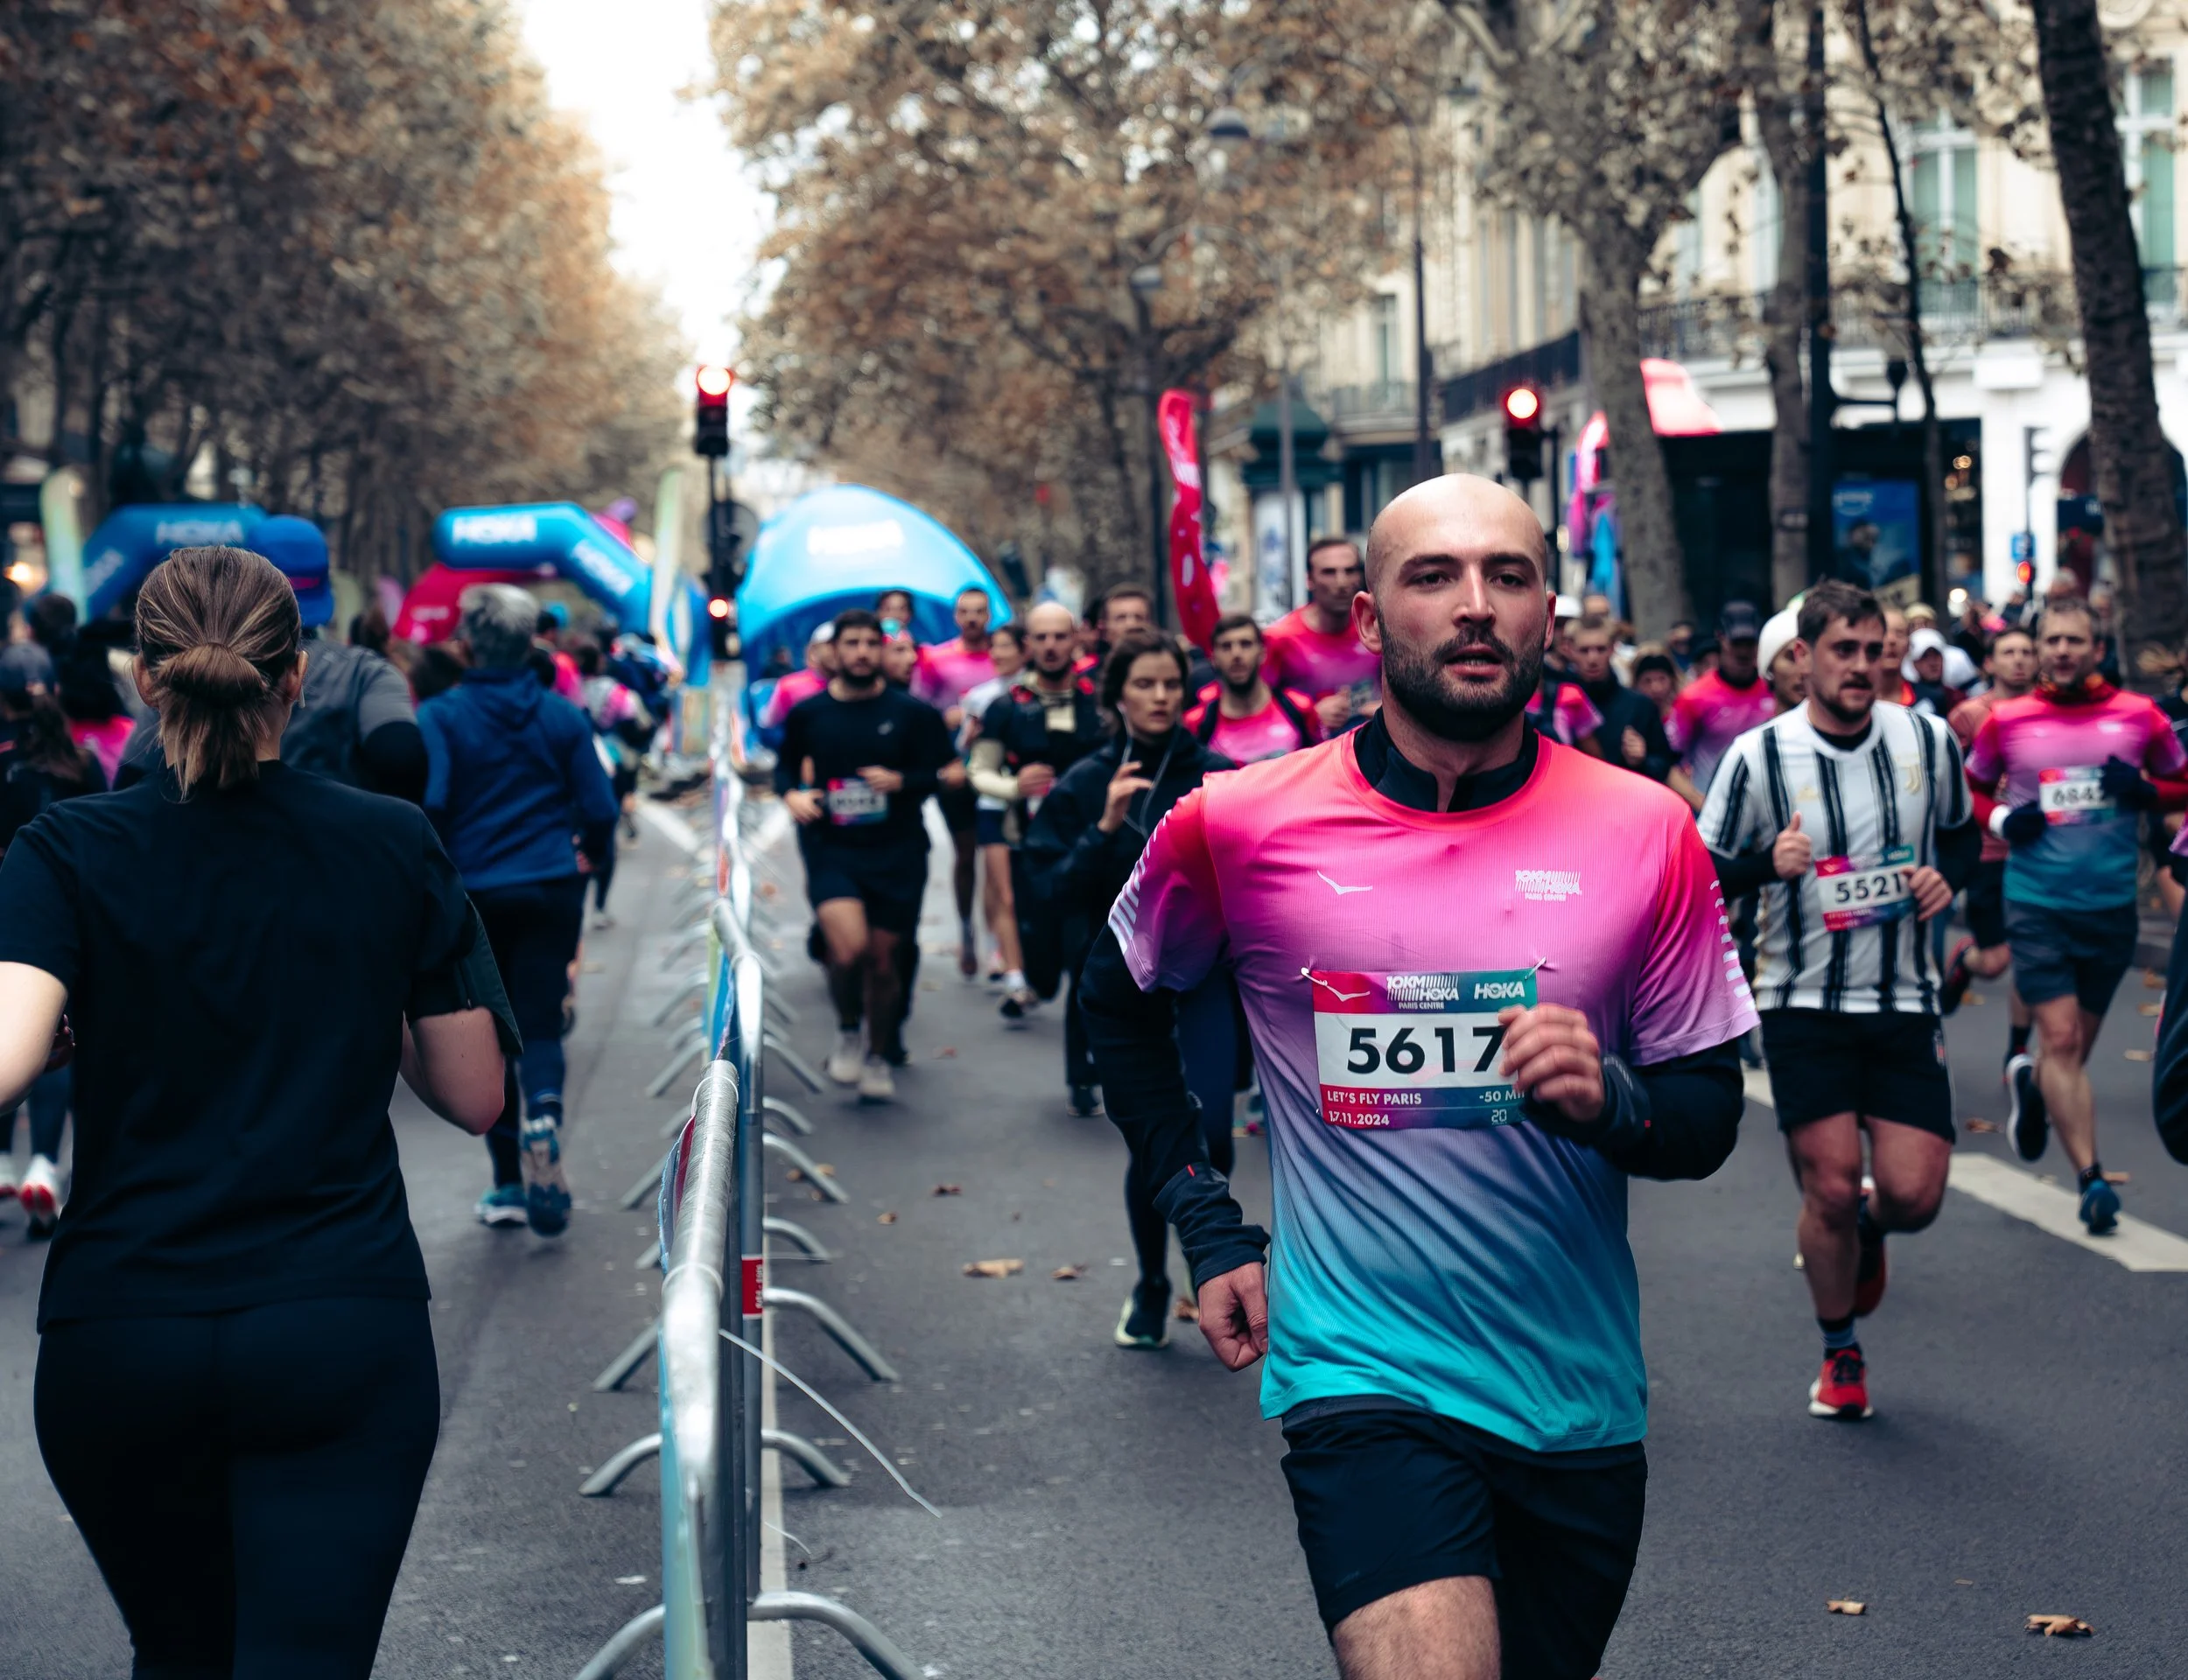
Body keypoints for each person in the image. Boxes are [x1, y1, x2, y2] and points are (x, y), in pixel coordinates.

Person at [1082, 475, 1757, 1680]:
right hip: (1361, 1373)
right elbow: (1117, 1007)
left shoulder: (1647, 830)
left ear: (1550, 609)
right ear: (1366, 616)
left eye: (1508, 575)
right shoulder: (1236, 824)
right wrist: (1206, 1222)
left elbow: (1706, 1115)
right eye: (1432, 577)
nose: (1476, 606)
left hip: (1576, 1397)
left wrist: (1614, 1101)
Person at [0, 543, 511, 1678]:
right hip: (339, 1328)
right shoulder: (392, 845)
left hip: (120, 1332)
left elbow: (6, 1053)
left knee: (178, 1655)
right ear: (296, 679)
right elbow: (477, 1098)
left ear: (147, 679)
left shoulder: (62, 851)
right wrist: (354, 977)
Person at [1700, 580, 1980, 1422]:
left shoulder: (1928, 742)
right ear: (1803, 657)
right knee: (1825, 1188)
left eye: (1873, 650)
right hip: (1801, 1001)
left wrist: (1946, 877)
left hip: (1902, 998)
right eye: (1844, 651)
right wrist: (1765, 867)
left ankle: (1872, 1224)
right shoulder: (1761, 756)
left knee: (1915, 1197)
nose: (1863, 667)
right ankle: (1840, 1353)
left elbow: (1965, 833)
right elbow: (1702, 868)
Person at [1025, 632, 1236, 1344]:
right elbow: (1048, 890)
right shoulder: (1085, 782)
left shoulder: (1218, 776)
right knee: (1157, 1139)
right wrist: (1106, 826)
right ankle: (1151, 1282)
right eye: (1144, 684)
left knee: (1208, 1132)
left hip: (1205, 984)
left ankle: (1210, 1268)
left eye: (1171, 684)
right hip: (1118, 993)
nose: (1160, 697)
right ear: (1117, 695)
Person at [1965, 596, 2188, 1233]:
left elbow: (2183, 782)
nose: (2062, 651)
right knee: (2059, 1037)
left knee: (2073, 1051)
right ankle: (2092, 1182)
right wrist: (2007, 819)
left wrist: (2145, 793)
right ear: (2039, 649)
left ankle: (2033, 1084)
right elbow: (1972, 787)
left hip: (2111, 907)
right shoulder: (2006, 721)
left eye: (2074, 641)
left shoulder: (2140, 717)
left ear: (2096, 648)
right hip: (2036, 904)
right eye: (2052, 640)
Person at [419, 584, 619, 1233]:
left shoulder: (441, 717)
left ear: (468, 643)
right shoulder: (562, 717)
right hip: (551, 884)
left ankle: (507, 1183)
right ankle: (546, 1117)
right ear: (533, 639)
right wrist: (589, 852)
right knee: (539, 1020)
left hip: (474, 894)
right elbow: (600, 807)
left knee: (491, 1034)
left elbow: (435, 802)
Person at [116, 515, 427, 802]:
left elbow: (130, 777)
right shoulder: (365, 674)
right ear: (296, 676)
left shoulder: (181, 668)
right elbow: (402, 758)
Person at [776, 609, 956, 1100]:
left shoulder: (913, 714)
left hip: (898, 851)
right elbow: (784, 769)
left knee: (883, 962)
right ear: (834, 652)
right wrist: (792, 794)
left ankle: (877, 1054)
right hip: (832, 848)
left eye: (869, 644)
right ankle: (848, 1029)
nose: (860, 653)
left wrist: (903, 781)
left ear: (883, 651)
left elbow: (947, 772)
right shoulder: (809, 713)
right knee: (848, 949)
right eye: (850, 643)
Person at [971, 601, 1110, 1046]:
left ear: (1076, 640)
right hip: (1026, 841)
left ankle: (1084, 1061)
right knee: (1037, 935)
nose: (1051, 647)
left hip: (1092, 841)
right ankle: (1034, 981)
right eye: (1042, 637)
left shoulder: (1100, 701)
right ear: (1028, 643)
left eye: (1060, 636)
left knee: (1086, 941)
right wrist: (1014, 786)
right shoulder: (1005, 707)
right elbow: (979, 769)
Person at [0, 669, 107, 1228]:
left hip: (9, 904)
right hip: (75, 910)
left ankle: (1, 1162)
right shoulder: (80, 761)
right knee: (55, 1031)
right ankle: (43, 1162)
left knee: (8, 1028)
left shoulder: (4, 761)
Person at [1940, 626, 2037, 1026]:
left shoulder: (2051, 712)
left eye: (2026, 652)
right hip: (1988, 852)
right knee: (1997, 961)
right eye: (2008, 652)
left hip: (2039, 851)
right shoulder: (1967, 716)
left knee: (2033, 957)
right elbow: (1952, 783)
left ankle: (2018, 1054)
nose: (2018, 660)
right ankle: (1966, 959)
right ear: (1989, 662)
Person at [915, 585, 1000, 976]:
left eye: (979, 612)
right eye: (965, 612)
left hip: (1001, 769)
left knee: (1001, 856)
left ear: (989, 615)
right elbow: (918, 710)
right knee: (967, 854)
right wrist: (944, 718)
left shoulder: (1006, 656)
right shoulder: (936, 659)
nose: (972, 619)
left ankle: (1000, 941)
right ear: (955, 617)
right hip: (957, 772)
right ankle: (967, 930)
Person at [958, 623, 1028, 989]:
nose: (999, 655)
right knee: (1002, 886)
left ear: (1024, 650)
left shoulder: (1038, 692)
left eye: (1007, 647)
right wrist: (968, 739)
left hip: (1032, 801)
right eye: (995, 648)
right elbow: (964, 753)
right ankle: (1003, 956)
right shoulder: (978, 697)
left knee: (1023, 883)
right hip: (992, 799)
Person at [1263, 536, 1381, 734]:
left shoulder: (1378, 627)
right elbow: (1252, 711)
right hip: (1310, 757)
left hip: (1373, 752)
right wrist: (1309, 714)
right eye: (1329, 572)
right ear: (1309, 580)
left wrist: (1388, 711)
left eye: (1350, 571)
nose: (1342, 582)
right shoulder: (1279, 638)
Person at [575, 638, 655, 925]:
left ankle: (582, 898)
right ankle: (599, 904)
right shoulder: (616, 692)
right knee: (605, 826)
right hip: (615, 759)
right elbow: (639, 719)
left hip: (578, 764)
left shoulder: (568, 691)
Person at [1666, 600, 1776, 795]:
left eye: (1749, 643)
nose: (1743, 651)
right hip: (1711, 802)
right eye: (1737, 642)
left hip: (1764, 804)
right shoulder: (1694, 697)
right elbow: (1669, 761)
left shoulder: (1772, 689)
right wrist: (1704, 807)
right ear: (1721, 637)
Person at [1183, 613, 1321, 762]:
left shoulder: (1299, 707)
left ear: (1262, 653)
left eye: (1246, 644)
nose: (1236, 654)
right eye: (1226, 646)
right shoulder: (1197, 723)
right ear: (1213, 658)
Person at [1565, 612, 1672, 781]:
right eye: (1584, 650)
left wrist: (1642, 759)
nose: (1593, 658)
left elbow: (1664, 765)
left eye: (1600, 649)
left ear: (1613, 648)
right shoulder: (1557, 704)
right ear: (1570, 650)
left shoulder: (1640, 705)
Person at [1076, 584, 1154, 676]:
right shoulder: (1087, 680)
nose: (1131, 625)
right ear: (1104, 629)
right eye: (1121, 618)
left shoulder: (1168, 671)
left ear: (1151, 625)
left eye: (1139, 617)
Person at [1757, 606, 1806, 714]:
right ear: (1769, 668)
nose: (1803, 670)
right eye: (1792, 658)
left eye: (1809, 658)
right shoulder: (1760, 731)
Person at [1904, 626, 1962, 715]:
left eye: (1937, 655)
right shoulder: (1906, 701)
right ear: (1914, 663)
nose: (1933, 663)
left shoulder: (1958, 698)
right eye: (1925, 657)